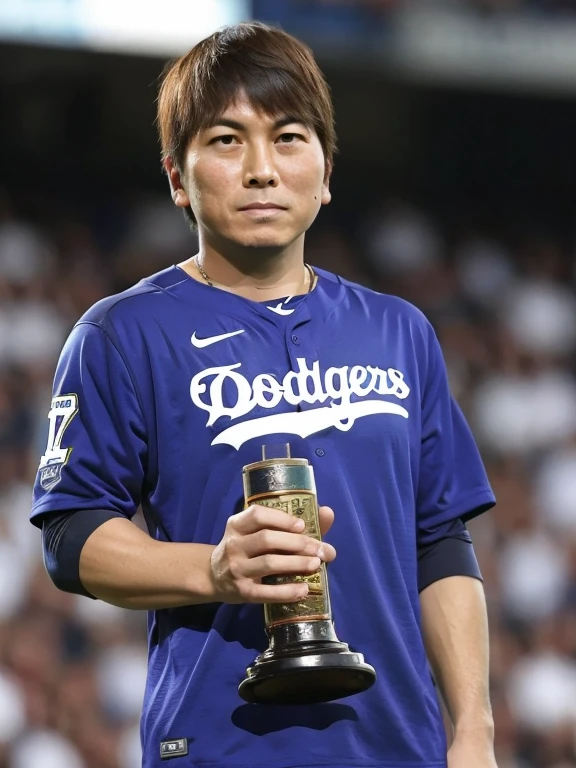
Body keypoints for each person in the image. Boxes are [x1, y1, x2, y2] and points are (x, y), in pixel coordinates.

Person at [31, 22, 498, 768]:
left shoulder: (400, 332)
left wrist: (472, 731)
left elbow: (439, 545)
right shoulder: (122, 334)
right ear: (178, 177)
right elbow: (69, 537)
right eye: (225, 139)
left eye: (287, 137)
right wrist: (211, 570)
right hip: (219, 744)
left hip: (399, 748)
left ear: (325, 167)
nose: (260, 169)